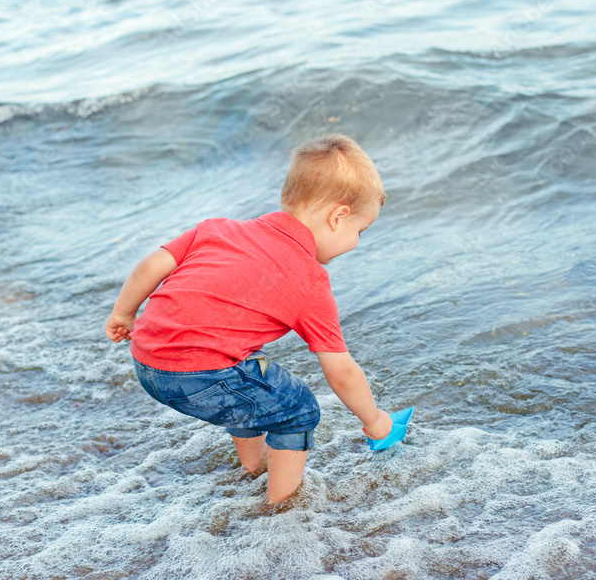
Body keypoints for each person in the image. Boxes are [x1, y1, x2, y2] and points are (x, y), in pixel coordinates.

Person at [104, 133, 393, 504]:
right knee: (297, 409)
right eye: (360, 231)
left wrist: (123, 314)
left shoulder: (218, 230)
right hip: (198, 375)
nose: (356, 242)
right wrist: (374, 420)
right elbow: (342, 371)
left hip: (146, 362)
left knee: (249, 372)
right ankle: (281, 507)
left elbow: (154, 263)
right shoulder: (309, 280)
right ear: (338, 217)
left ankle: (253, 469)